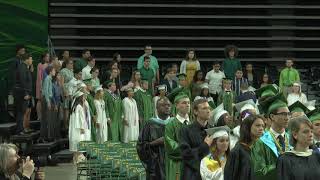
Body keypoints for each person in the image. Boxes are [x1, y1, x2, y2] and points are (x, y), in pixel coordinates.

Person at [251, 88, 291, 180]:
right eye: (284, 114)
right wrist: (280, 164)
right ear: (272, 116)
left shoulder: (293, 139)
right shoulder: (260, 142)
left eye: (289, 114)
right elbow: (259, 173)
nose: (287, 117)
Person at [137, 97, 172, 180]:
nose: (167, 107)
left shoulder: (175, 123)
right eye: (163, 105)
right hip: (155, 167)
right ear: (157, 108)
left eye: (168, 105)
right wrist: (155, 143)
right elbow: (140, 146)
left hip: (173, 164)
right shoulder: (149, 124)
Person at [277, 116, 320, 180]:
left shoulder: (316, 155)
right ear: (295, 135)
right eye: (306, 132)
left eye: (311, 131)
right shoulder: (285, 159)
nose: (311, 134)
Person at [180, 99, 213, 180]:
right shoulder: (186, 130)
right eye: (204, 108)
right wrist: (204, 146)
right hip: (193, 175)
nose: (208, 111)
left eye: (209, 108)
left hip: (211, 174)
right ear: (195, 111)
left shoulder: (213, 130)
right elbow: (185, 154)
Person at [224, 115, 265, 180]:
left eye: (263, 126)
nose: (261, 128)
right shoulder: (237, 151)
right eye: (257, 125)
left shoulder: (256, 149)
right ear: (247, 127)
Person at [164, 94, 191, 180]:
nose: (187, 105)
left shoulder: (193, 124)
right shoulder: (170, 125)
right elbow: (171, 146)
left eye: (189, 103)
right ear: (177, 105)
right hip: (177, 164)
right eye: (184, 103)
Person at [69, 91, 91, 164]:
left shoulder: (76, 106)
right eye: (83, 97)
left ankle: (76, 158)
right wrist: (81, 127)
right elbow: (79, 118)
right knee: (79, 141)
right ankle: (78, 158)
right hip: (78, 128)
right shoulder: (78, 106)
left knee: (77, 143)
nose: (85, 98)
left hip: (76, 128)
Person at [16, 54, 33, 134]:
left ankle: (21, 129)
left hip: (25, 93)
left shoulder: (25, 67)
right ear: (26, 59)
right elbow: (22, 81)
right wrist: (25, 93)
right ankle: (20, 130)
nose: (32, 61)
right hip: (22, 94)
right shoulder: (22, 67)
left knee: (23, 111)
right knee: (21, 112)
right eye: (31, 59)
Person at [40, 66, 56, 142]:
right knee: (45, 118)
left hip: (48, 99)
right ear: (50, 71)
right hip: (46, 99)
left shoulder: (50, 79)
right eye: (53, 70)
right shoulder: (47, 79)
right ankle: (44, 137)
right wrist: (48, 102)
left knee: (48, 118)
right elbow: (46, 91)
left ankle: (48, 136)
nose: (54, 72)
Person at [59, 59, 74, 131]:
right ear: (66, 64)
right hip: (65, 90)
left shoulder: (71, 71)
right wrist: (64, 91)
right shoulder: (63, 71)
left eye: (72, 63)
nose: (72, 65)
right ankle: (65, 125)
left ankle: (69, 124)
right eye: (70, 63)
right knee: (66, 108)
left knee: (70, 108)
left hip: (71, 91)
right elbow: (61, 83)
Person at [35, 52, 50, 122]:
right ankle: (39, 116)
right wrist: (41, 87)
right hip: (41, 84)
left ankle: (45, 115)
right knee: (39, 100)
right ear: (44, 57)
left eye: (48, 56)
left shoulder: (49, 65)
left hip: (47, 85)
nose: (48, 58)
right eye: (47, 56)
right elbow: (39, 77)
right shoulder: (40, 65)